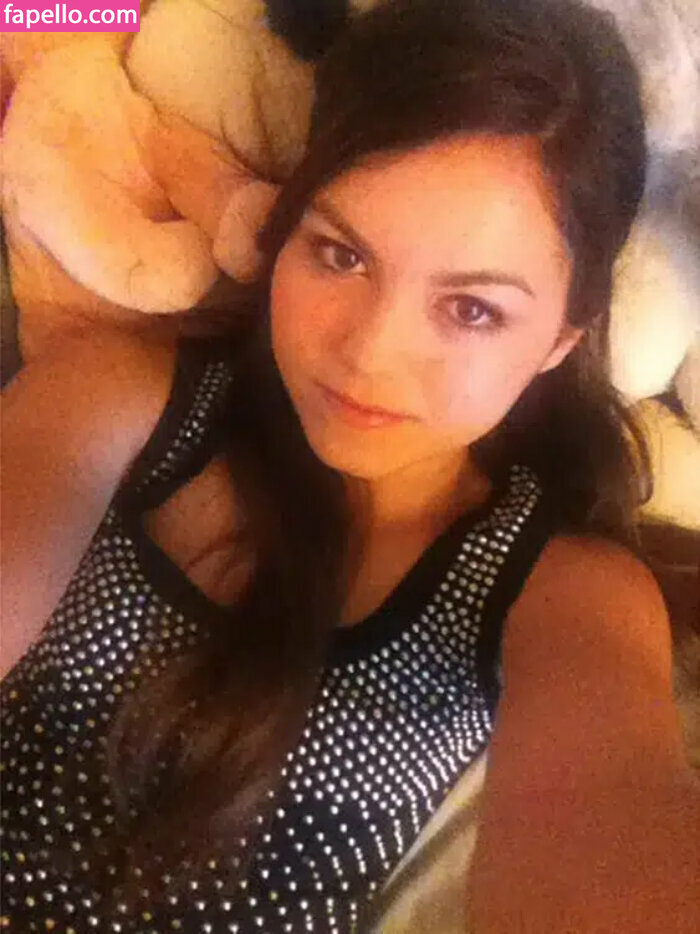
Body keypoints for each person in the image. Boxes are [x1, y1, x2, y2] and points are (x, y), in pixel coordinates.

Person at [1, 0, 698, 931]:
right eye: (338, 254)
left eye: (472, 310)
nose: (367, 352)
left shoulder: (565, 596)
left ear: (561, 341)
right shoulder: (122, 400)